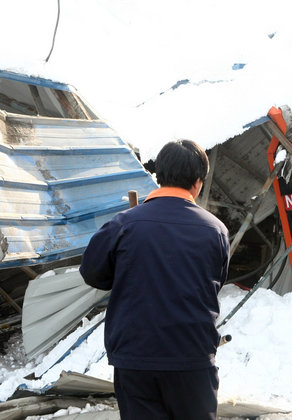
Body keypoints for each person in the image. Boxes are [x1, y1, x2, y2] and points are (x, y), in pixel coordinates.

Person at [80, 140, 230, 420]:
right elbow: (216, 281)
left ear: (158, 177)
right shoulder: (216, 231)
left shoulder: (124, 224)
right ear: (198, 183)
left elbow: (92, 273)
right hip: (192, 358)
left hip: (136, 360)